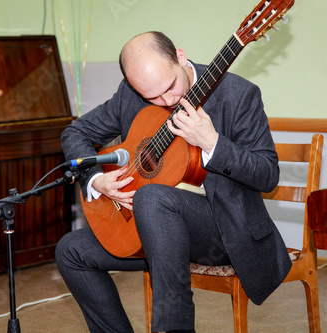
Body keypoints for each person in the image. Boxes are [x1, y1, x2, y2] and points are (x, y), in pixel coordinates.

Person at [55, 31, 291, 333]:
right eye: (151, 97)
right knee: (71, 251)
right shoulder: (130, 94)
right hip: (155, 229)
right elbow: (75, 133)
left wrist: (213, 144)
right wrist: (97, 179)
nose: (166, 100)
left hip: (223, 232)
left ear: (180, 57)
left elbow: (268, 175)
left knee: (152, 197)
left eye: (170, 87)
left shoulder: (238, 95)